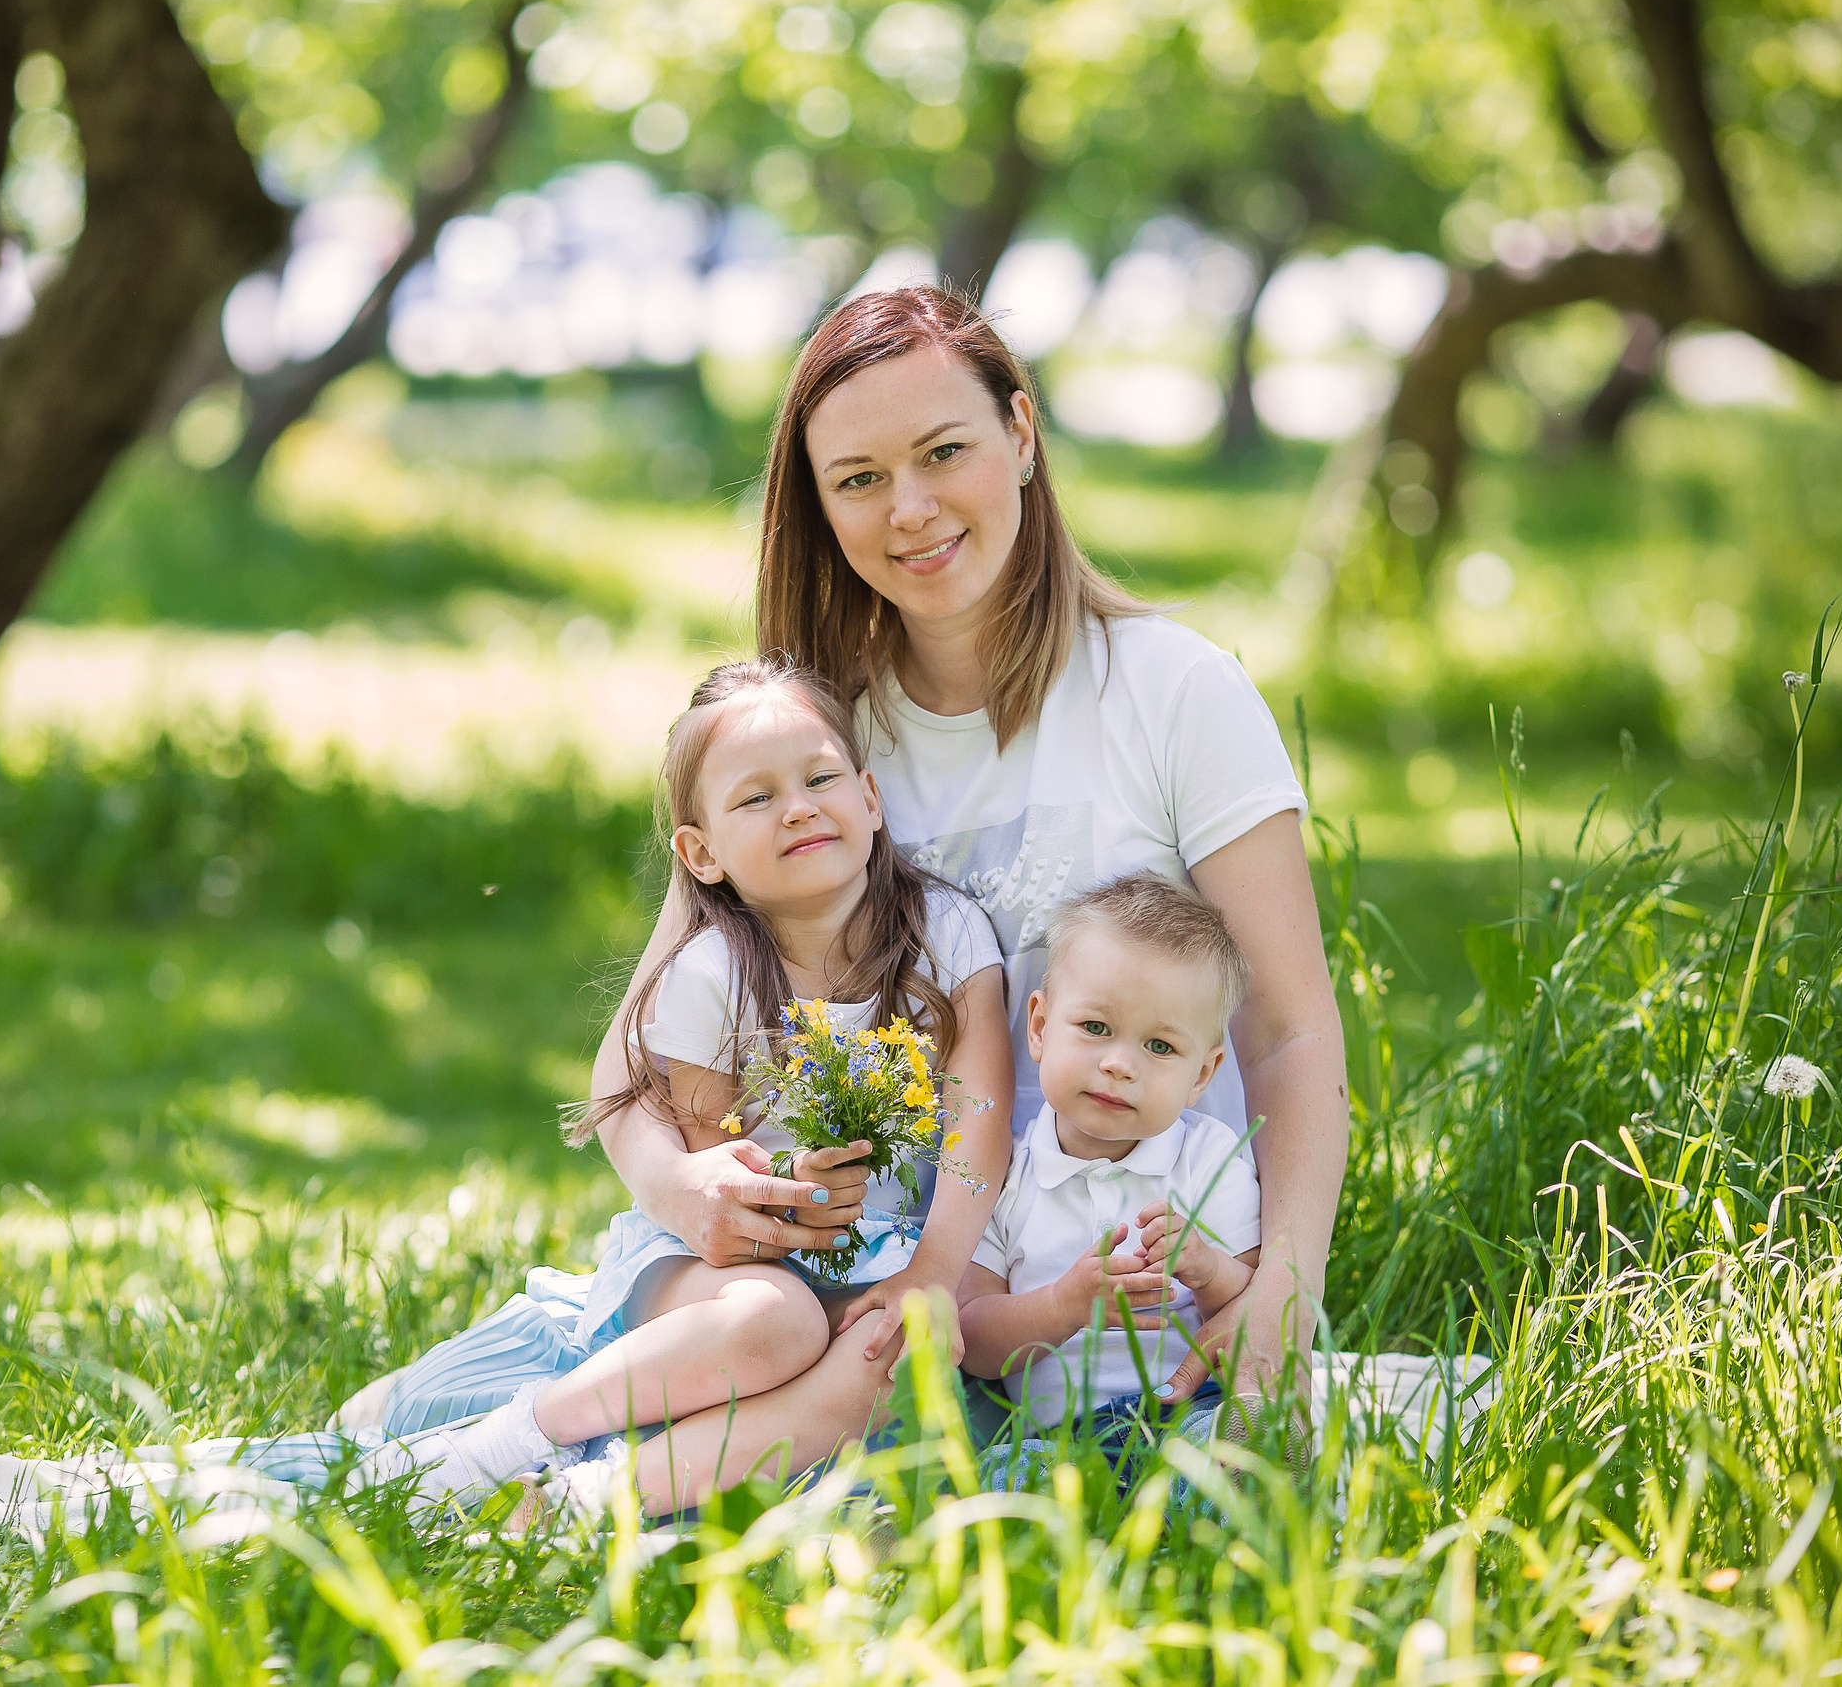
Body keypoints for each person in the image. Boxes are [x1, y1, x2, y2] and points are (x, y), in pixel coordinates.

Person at [350, 283, 1346, 1504]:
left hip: (1111, 1296)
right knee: (651, 1421)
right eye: (859, 479)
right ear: (817, 508)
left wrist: (1281, 1294)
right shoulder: (810, 746)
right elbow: (631, 1063)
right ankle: (482, 1471)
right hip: (860, 1286)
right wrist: (684, 1192)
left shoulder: (1175, 693)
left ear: (1022, 437)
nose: (910, 510)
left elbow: (1288, 1031)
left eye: (944, 453)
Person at [359, 658, 1015, 1517]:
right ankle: (514, 1437)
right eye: (756, 798)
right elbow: (721, 1172)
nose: (799, 806)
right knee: (777, 1325)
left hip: (896, 1250)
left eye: (821, 779)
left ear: (870, 799)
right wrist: (805, 1213)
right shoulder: (714, 974)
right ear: (700, 852)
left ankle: (590, 1504)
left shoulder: (949, 933)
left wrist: (931, 1269)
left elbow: (981, 1116)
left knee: (897, 1354)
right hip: (737, 1258)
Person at [955, 873, 1262, 1482]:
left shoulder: (1208, 1158)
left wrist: (1208, 1269)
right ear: (1039, 1027)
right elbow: (974, 1338)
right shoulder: (1006, 1172)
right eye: (1095, 1028)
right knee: (1006, 1482)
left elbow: (1259, 1308)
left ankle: (1229, 1492)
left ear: (1203, 1074)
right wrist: (1063, 1305)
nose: (1119, 1064)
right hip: (1054, 1438)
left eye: (1159, 1046)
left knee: (1239, 1439)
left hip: (1188, 1414)